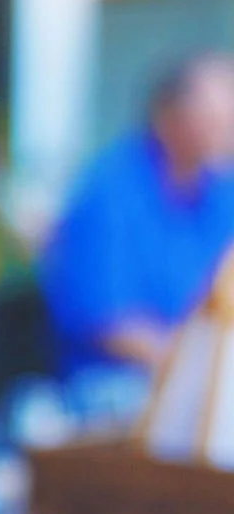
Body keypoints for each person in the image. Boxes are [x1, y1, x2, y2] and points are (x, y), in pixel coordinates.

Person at [41, 51, 234, 376]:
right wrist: (198, 370)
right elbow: (109, 324)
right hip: (117, 387)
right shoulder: (109, 192)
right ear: (168, 118)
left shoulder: (218, 187)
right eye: (216, 121)